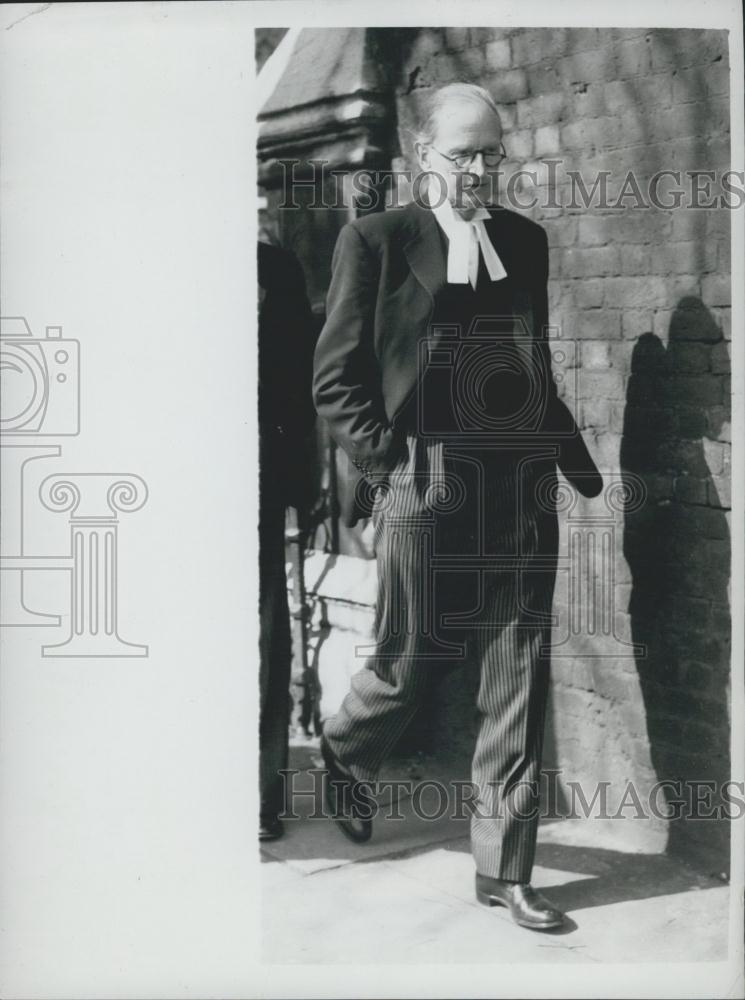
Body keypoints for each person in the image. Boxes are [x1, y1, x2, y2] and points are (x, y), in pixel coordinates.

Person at [312, 83, 602, 929]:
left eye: (490, 154)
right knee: (409, 661)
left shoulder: (523, 242)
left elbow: (533, 364)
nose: (478, 171)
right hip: (424, 481)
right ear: (420, 159)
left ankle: (505, 870)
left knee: (517, 672)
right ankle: (344, 747)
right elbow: (337, 379)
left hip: (515, 486)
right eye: (461, 154)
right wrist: (391, 464)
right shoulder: (375, 241)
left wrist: (576, 469)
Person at [258, 240, 316, 841]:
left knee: (264, 633)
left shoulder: (274, 271)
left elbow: (297, 389)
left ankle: (260, 793)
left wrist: (304, 483)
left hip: (257, 483)